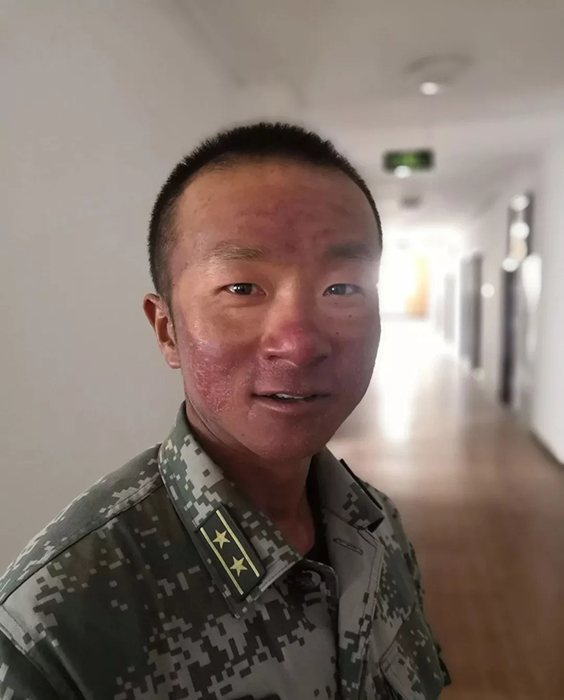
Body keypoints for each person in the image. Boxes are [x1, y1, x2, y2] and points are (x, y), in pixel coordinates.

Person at [0, 122, 450, 699]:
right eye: (242, 288)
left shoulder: (376, 525)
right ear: (166, 329)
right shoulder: (54, 624)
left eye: (342, 288)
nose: (299, 343)